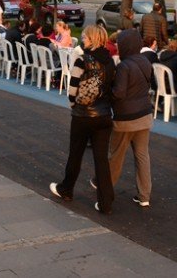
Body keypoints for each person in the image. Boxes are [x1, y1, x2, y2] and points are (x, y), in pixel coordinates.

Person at [49, 25, 116, 214]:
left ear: (92, 39)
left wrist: (74, 106)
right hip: (104, 115)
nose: (83, 38)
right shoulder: (110, 62)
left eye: (86, 36)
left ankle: (66, 189)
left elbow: (72, 90)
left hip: (83, 115)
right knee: (101, 160)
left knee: (76, 154)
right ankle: (106, 202)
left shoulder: (82, 60)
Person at [107, 29, 154, 207]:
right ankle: (145, 195)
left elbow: (119, 93)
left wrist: (108, 92)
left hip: (125, 118)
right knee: (142, 156)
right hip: (144, 114)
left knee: (116, 156)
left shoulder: (124, 66)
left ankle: (106, 189)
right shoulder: (145, 62)